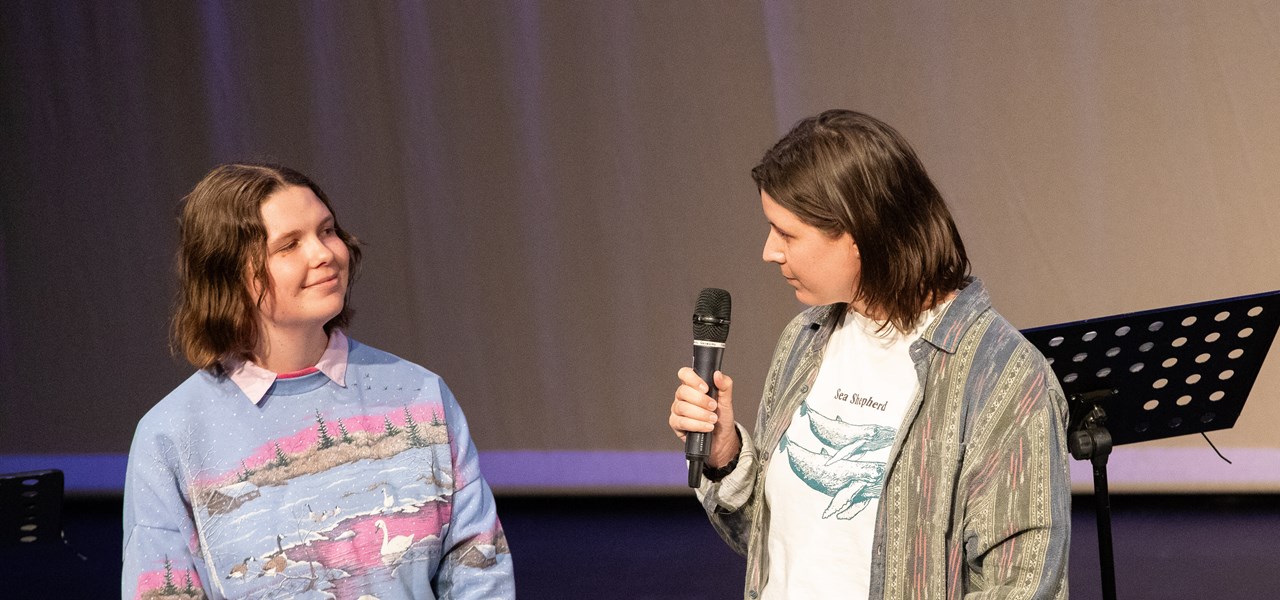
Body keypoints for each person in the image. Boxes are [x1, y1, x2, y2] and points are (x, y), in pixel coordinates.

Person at [669, 110, 1071, 599]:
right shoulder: (805, 340)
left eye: (788, 233)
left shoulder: (1003, 380)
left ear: (859, 236)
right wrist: (726, 455)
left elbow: (1022, 587)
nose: (769, 251)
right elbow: (779, 544)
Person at [123, 163, 514, 599]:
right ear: (229, 274)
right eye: (289, 245)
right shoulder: (171, 435)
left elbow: (479, 568)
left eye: (326, 231)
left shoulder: (421, 395)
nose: (324, 253)